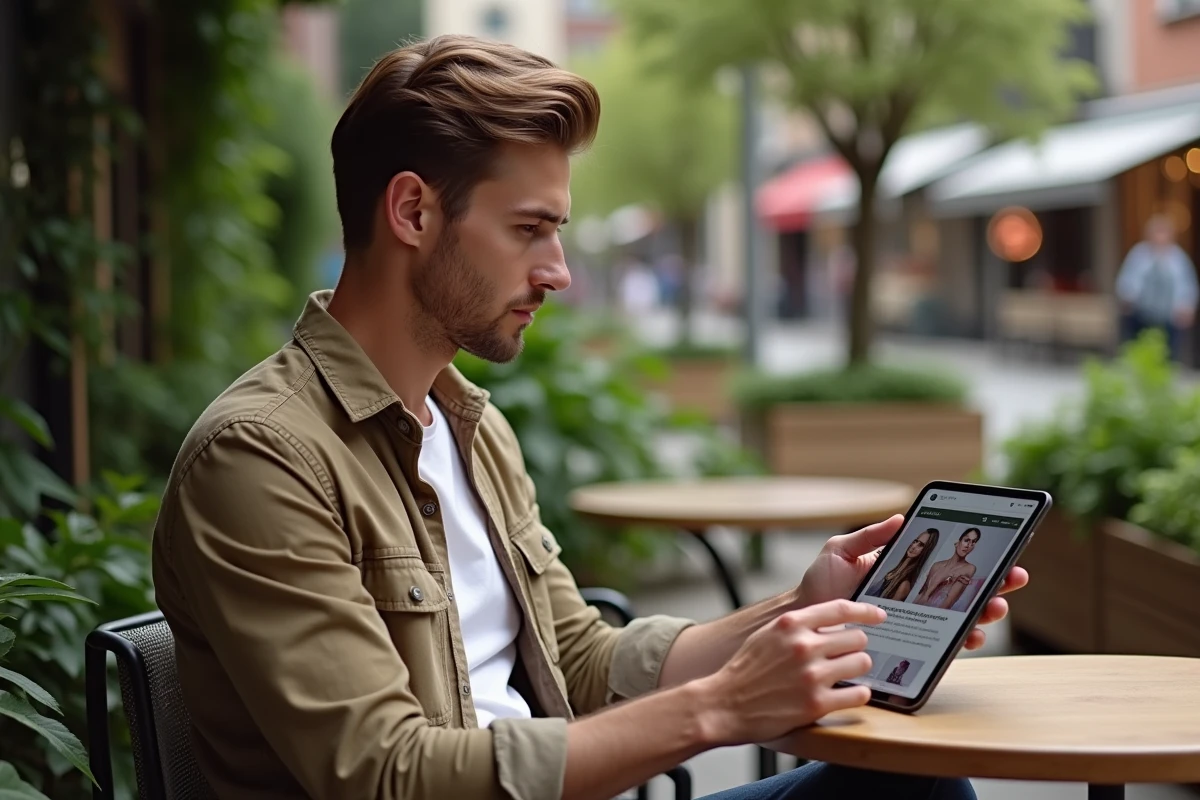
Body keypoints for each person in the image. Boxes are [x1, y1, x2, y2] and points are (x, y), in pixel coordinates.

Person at [150, 36, 1029, 800]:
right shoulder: (262, 458)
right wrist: (721, 710)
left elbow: (580, 660)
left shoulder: (469, 427)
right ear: (413, 211)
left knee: (912, 787)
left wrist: (798, 609)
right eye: (529, 229)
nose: (559, 271)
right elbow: (387, 775)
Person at [1116, 214, 1198, 361]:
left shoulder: (1178, 258)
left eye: (1164, 233)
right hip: (1141, 312)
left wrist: (1187, 306)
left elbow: (1187, 285)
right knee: (1139, 348)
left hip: (1169, 315)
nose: (1160, 237)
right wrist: (1127, 296)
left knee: (1168, 353)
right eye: (1157, 232)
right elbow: (1127, 280)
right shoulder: (1139, 254)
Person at [864, 528, 940, 602]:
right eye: (915, 541)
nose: (913, 546)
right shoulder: (896, 571)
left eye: (921, 545)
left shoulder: (904, 584)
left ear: (926, 550)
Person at [914, 528, 982, 610]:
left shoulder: (969, 568)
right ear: (957, 542)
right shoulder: (936, 565)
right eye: (966, 540)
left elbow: (949, 601)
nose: (968, 545)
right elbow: (922, 594)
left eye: (973, 542)